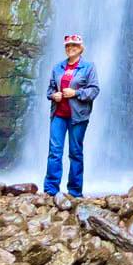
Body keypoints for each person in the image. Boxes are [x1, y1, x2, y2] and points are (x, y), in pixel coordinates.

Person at [43, 33, 100, 197]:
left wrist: (75, 92)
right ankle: (51, 190)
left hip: (78, 117)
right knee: (55, 151)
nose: (70, 48)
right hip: (58, 115)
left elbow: (94, 90)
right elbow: (50, 91)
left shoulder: (88, 67)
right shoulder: (57, 67)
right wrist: (54, 95)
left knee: (75, 152)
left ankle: (75, 191)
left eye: (74, 45)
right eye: (68, 46)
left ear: (81, 48)